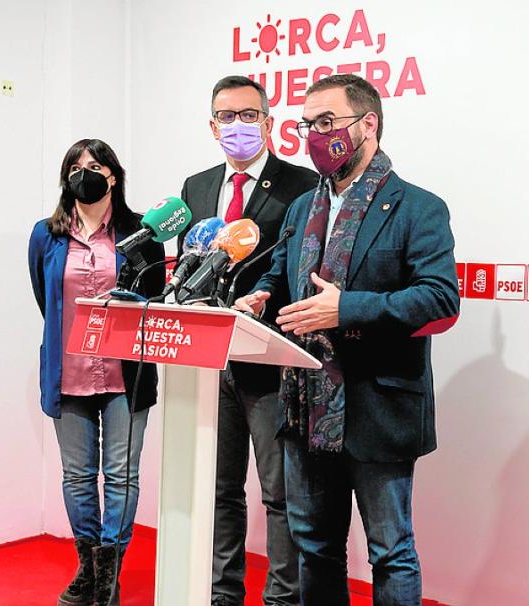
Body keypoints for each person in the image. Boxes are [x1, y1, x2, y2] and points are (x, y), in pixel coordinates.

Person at [235, 74, 459, 606]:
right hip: (304, 404)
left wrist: (345, 309)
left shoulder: (417, 207)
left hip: (377, 405)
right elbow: (280, 271)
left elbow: (439, 299)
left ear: (368, 124)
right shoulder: (301, 209)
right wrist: (262, 294)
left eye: (326, 122)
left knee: (390, 551)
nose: (315, 134)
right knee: (314, 546)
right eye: (307, 124)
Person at [178, 75, 318, 606]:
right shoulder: (195, 187)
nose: (237, 126)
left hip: (271, 357)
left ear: (268, 120)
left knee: (280, 493)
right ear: (212, 126)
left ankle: (283, 597)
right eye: (225, 117)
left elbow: (304, 266)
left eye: (247, 115)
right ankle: (222, 595)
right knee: (219, 491)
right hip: (208, 360)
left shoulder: (301, 184)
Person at [28, 139, 164, 606]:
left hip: (127, 374)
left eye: (96, 165)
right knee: (78, 476)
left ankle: (110, 572)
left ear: (114, 175)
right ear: (66, 178)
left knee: (122, 476)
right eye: (76, 167)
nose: (86, 173)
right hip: (68, 372)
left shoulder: (143, 233)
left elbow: (155, 300)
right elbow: (46, 300)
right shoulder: (46, 235)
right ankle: (87, 568)